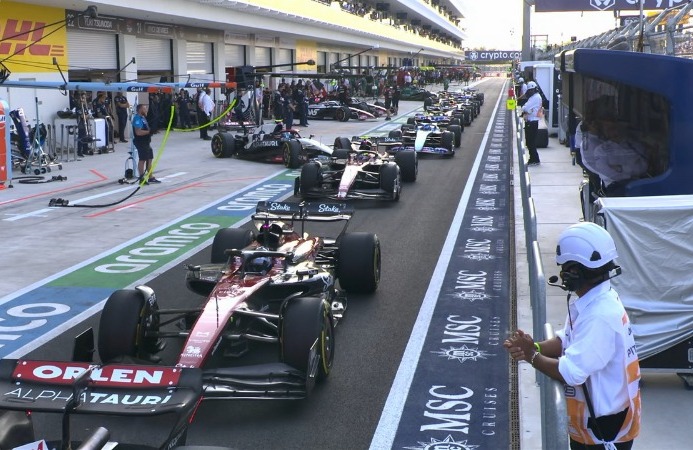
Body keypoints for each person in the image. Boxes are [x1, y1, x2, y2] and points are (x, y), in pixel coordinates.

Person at [504, 222, 641, 450]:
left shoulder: (600, 315)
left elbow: (571, 373)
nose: (562, 274)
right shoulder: (594, 301)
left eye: (565, 268)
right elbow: (564, 341)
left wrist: (531, 356)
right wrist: (534, 347)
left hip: (603, 431)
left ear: (576, 272)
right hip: (594, 425)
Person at [132, 103, 161, 184]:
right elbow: (138, 132)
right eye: (144, 109)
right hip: (140, 142)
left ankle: (150, 177)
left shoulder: (143, 117)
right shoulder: (137, 119)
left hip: (146, 142)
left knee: (149, 158)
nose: (146, 110)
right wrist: (149, 131)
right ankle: (141, 178)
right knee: (143, 159)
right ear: (140, 110)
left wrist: (152, 130)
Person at [521, 81, 543, 166]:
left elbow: (525, 107)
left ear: (533, 89)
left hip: (532, 122)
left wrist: (524, 108)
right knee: (530, 142)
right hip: (531, 121)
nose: (529, 92)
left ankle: (534, 159)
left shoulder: (535, 97)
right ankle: (533, 158)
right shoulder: (534, 97)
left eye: (530, 90)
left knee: (531, 142)